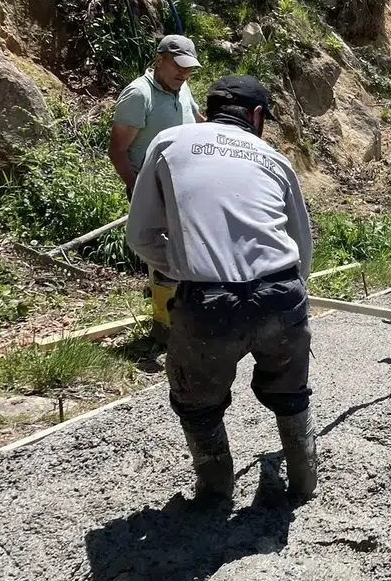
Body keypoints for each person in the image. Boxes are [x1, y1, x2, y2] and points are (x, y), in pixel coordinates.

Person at [125, 75, 317, 502]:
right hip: (281, 295)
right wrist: (291, 297)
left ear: (206, 111)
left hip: (208, 305)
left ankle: (215, 489)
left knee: (198, 402)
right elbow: (301, 247)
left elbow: (141, 236)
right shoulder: (275, 159)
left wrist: (186, 266)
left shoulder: (170, 143)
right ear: (256, 116)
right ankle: (304, 479)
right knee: (290, 391)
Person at [109, 35, 204, 337]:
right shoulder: (139, 95)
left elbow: (198, 120)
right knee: (163, 253)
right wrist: (137, 190)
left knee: (186, 249)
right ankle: (164, 326)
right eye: (178, 67)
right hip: (152, 188)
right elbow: (117, 149)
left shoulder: (182, 87)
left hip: (187, 187)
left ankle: (186, 313)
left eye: (189, 69)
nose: (184, 74)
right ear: (159, 60)